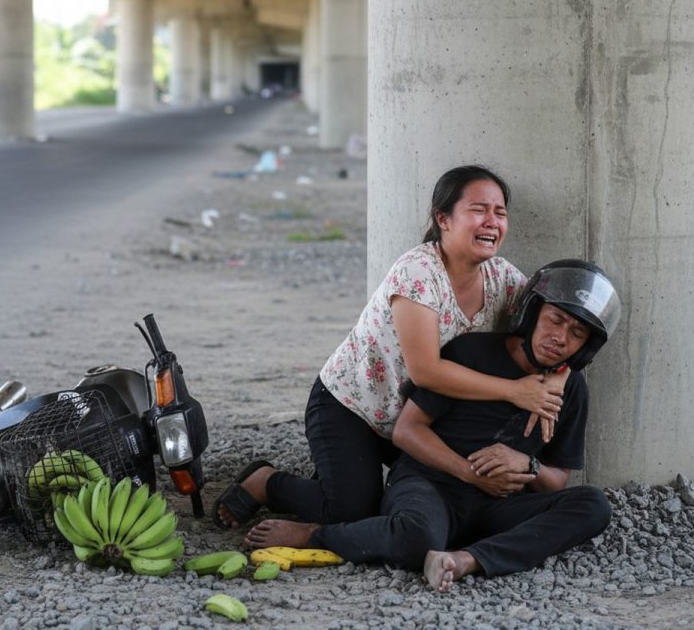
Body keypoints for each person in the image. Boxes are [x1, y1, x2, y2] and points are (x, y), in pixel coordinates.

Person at [213, 166, 568, 529]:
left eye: (500, 213)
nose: (492, 221)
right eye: (479, 210)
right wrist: (515, 391)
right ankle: (265, 482)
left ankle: (336, 480)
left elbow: (558, 326)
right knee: (350, 512)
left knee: (432, 504)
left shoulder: (504, 279)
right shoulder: (418, 272)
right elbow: (426, 371)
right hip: (352, 407)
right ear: (443, 218)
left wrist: (557, 377)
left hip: (417, 421)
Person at [245, 260, 622, 592]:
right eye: (555, 320)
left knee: (594, 506)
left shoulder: (571, 390)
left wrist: (527, 464)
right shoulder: (471, 352)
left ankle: (466, 560)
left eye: (577, 334)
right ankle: (316, 534)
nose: (561, 338)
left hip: (499, 506)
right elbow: (407, 431)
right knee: (417, 536)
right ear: (534, 312)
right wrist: (471, 475)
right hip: (430, 485)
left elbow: (558, 479)